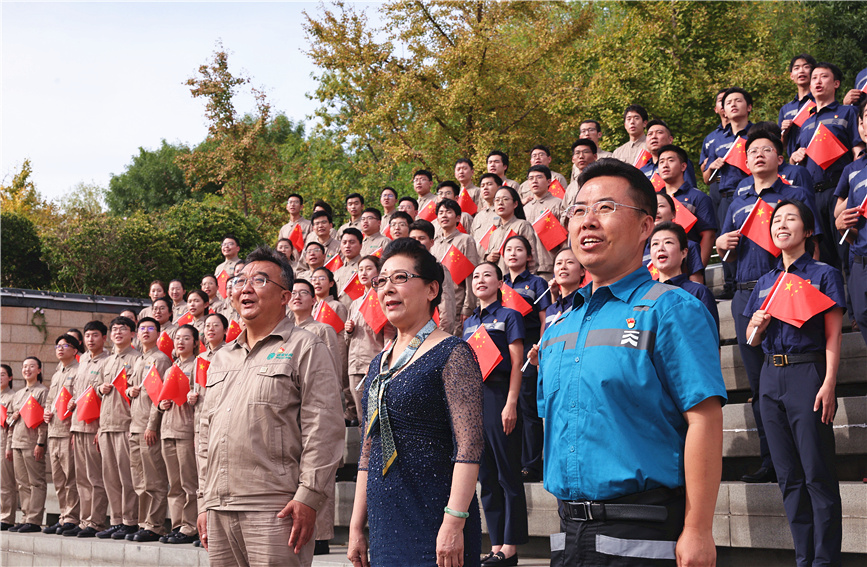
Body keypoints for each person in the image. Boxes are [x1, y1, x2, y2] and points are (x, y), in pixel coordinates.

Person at [538, 158, 726, 566]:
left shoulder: (671, 309)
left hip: (643, 533)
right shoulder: (558, 328)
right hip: (568, 535)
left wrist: (698, 528)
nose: (588, 221)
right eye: (579, 211)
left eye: (605, 208)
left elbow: (705, 419)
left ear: (645, 226)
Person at [197, 246, 344, 566]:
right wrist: (204, 502)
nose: (246, 288)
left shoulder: (306, 346)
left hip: (276, 508)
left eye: (260, 280)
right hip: (220, 508)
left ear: (285, 297)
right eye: (239, 281)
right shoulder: (221, 358)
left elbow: (325, 427)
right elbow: (205, 434)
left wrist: (308, 497)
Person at [347, 238, 484, 567]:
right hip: (384, 523)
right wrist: (355, 526)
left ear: (432, 290)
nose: (387, 288)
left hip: (435, 520)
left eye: (400, 278)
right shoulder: (379, 362)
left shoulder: (453, 353)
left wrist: (454, 522)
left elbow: (470, 445)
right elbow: (369, 447)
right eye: (382, 281)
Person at [716, 130, 821, 484]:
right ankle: (772, 460)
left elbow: (815, 249)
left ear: (780, 156)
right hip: (748, 296)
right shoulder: (738, 199)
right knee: (761, 385)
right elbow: (726, 252)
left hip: (788, 288)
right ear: (745, 161)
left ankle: (805, 457)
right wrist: (720, 243)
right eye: (753, 151)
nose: (759, 155)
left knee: (794, 376)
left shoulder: (794, 195)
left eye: (767, 150)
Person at [745, 199, 844, 567]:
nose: (781, 224)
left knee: (817, 471)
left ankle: (824, 559)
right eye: (776, 220)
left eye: (790, 219)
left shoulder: (823, 273)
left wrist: (830, 381)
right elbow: (753, 342)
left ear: (807, 230)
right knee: (788, 475)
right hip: (771, 375)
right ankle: (803, 557)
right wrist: (758, 325)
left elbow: (833, 335)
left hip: (808, 373)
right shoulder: (766, 282)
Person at [464, 262, 528, 566]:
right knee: (487, 477)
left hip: (501, 395)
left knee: (507, 475)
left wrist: (511, 403)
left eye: (487, 275)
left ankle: (511, 545)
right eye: (476, 276)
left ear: (500, 282)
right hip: (476, 402)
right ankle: (497, 543)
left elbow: (518, 363)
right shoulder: (468, 323)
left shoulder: (509, 316)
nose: (480, 280)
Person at [791, 62, 865, 268]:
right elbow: (794, 159)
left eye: (823, 77)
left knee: (847, 251)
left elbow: (857, 150)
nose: (817, 82)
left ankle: (854, 301)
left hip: (838, 191)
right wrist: (794, 156)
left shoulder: (848, 113)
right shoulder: (805, 122)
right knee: (822, 258)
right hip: (811, 195)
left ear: (836, 84)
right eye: (814, 78)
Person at [289, 278, 341, 556]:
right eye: (293, 292)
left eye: (304, 293)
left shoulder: (323, 330)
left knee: (320, 470)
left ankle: (321, 535)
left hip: (316, 407)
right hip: (290, 411)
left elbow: (331, 371)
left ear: (314, 300)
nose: (297, 297)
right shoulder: (284, 333)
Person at [502, 234, 550, 483]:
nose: (513, 253)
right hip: (508, 353)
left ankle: (531, 464)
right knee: (509, 408)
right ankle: (512, 459)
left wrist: (539, 349)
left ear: (529, 256)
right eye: (509, 249)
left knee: (527, 408)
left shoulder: (537, 283)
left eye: (519, 249)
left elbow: (544, 321)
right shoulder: (500, 285)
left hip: (529, 351)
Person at [125, 317, 172, 543]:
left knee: (153, 479)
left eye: (150, 328)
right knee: (139, 480)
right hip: (135, 426)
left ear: (158, 333)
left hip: (148, 427)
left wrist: (152, 425)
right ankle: (144, 523)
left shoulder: (160, 359)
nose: (145, 332)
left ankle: (155, 525)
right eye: (142, 328)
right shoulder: (138, 359)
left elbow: (160, 395)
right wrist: (129, 392)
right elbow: (137, 390)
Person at [95, 316, 141, 540]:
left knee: (126, 476)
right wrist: (99, 389)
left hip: (126, 424)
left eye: (123, 329)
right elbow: (96, 393)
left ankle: (130, 521)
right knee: (110, 477)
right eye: (114, 329)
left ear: (132, 334)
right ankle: (116, 520)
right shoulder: (106, 361)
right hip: (106, 425)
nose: (118, 333)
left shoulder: (137, 358)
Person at [64, 320, 110, 537]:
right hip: (78, 424)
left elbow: (105, 396)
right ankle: (84, 520)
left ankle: (97, 521)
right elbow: (79, 392)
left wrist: (101, 428)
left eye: (96, 335)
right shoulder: (81, 360)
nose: (91, 339)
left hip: (94, 425)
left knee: (95, 477)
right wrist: (73, 402)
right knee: (81, 478)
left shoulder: (107, 362)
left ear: (104, 338)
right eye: (88, 335)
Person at [158, 324, 200, 545]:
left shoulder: (198, 366)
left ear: (195, 342)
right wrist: (162, 404)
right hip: (168, 428)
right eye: (177, 338)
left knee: (188, 482)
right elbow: (162, 397)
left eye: (186, 338)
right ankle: (177, 525)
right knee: (174, 484)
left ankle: (191, 525)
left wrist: (196, 397)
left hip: (186, 429)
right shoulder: (170, 368)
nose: (180, 342)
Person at [345, 255, 396, 419]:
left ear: (378, 272)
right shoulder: (354, 303)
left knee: (376, 415)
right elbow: (348, 340)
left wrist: (382, 361)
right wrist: (349, 331)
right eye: (360, 269)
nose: (363, 273)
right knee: (362, 417)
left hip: (373, 362)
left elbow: (389, 333)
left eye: (368, 268)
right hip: (354, 364)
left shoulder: (381, 298)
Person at [41, 335, 81, 534]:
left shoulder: (78, 370)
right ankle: (64, 515)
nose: (60, 349)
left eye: (65, 346)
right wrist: (46, 411)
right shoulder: (58, 373)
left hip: (67, 431)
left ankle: (72, 517)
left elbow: (80, 400)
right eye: (58, 346)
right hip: (54, 431)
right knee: (58, 480)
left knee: (70, 477)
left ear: (75, 350)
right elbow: (50, 400)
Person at [649, 222, 720, 333]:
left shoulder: (698, 292)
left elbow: (712, 342)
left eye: (668, 242)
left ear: (684, 252)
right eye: (655, 244)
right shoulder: (646, 294)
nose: (660, 248)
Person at [5, 357, 48, 533]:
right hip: (17, 442)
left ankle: (34, 519)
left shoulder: (42, 391)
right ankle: (25, 517)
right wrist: (9, 445)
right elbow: (9, 423)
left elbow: (44, 422)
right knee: (22, 483)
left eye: (31, 366)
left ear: (39, 370)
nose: (27, 369)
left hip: (32, 443)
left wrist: (40, 443)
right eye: (24, 366)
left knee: (36, 482)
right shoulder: (18, 394)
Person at [657, 144, 718, 266]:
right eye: (661, 162)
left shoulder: (699, 197)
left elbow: (708, 236)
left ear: (683, 166)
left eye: (670, 160)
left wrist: (697, 269)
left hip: (687, 267)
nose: (665, 165)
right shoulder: (654, 199)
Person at [312, 266, 353, 424]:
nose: (317, 282)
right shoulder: (314, 307)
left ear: (331, 283)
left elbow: (341, 337)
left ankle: (349, 413)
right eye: (314, 279)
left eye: (321, 278)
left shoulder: (336, 306)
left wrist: (340, 358)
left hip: (335, 351)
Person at [432, 199, 481, 327]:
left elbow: (471, 275)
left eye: (448, 212)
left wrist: (468, 307)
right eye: (441, 213)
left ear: (458, 217)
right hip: (436, 305)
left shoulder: (465, 240)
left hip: (457, 304)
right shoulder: (434, 243)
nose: (444, 215)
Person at [410, 219, 458, 336]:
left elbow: (446, 310)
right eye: (413, 239)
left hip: (431, 334)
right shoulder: (403, 269)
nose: (417, 243)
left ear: (431, 242)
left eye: (421, 239)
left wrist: (439, 340)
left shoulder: (438, 270)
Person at [646, 192, 706, 285]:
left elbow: (696, 285)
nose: (656, 211)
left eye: (661, 206)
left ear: (673, 213)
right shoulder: (640, 249)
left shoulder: (690, 246)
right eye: (652, 208)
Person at [485, 186, 542, 276]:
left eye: (505, 199)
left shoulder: (522, 225)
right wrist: (489, 258)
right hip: (499, 285)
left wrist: (529, 282)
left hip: (519, 283)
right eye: (497, 200)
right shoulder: (494, 233)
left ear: (515, 204)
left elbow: (532, 258)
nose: (500, 203)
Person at [522, 164, 565, 280]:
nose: (534, 181)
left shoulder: (558, 204)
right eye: (531, 178)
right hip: (528, 268)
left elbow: (564, 238)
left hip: (550, 267)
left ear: (549, 181)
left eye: (539, 177)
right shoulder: (525, 209)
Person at [779, 54, 817, 158]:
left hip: (817, 156)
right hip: (794, 161)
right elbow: (781, 146)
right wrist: (784, 133)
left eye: (806, 67)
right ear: (791, 76)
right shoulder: (786, 109)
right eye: (796, 68)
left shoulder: (820, 101)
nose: (801, 71)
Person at [0, 364, 16, 531]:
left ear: (10, 378)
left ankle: (7, 517)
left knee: (5, 483)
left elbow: (12, 426)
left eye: (3, 374)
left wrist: (9, 446)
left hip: (4, 442)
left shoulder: (12, 397)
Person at [563, 139, 598, 208]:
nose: (581, 156)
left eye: (586, 152)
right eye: (577, 153)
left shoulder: (602, 181)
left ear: (595, 156)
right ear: (573, 159)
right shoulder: (571, 187)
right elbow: (564, 211)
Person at [334, 228, 364, 309]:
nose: (347, 245)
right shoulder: (337, 271)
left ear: (361, 245)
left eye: (352, 242)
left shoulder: (364, 267)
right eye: (344, 242)